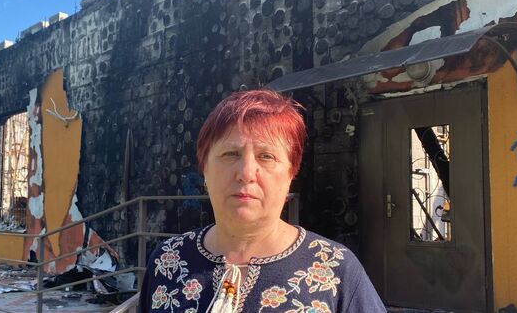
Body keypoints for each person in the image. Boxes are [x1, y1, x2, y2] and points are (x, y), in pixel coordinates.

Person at [140, 90, 385, 312]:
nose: (246, 173)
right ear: (205, 169)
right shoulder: (167, 261)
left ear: (291, 173)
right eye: (230, 154)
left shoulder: (336, 270)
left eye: (266, 156)